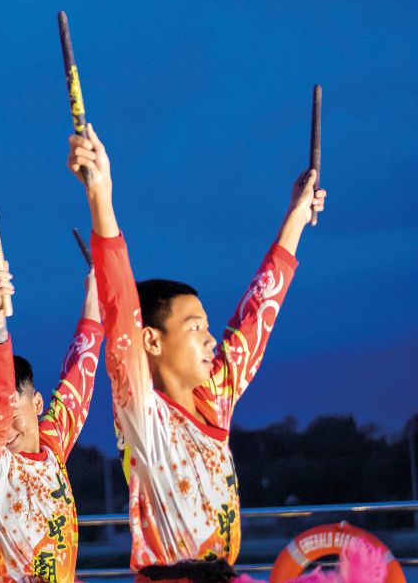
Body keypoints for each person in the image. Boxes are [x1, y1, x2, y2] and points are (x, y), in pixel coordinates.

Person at [67, 123, 326, 581]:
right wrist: (101, 197)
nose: (212, 340)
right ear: (151, 341)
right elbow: (120, 307)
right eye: (196, 328)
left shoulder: (216, 394)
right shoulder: (144, 412)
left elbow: (257, 315)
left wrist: (296, 218)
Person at [0, 257, 103, 582]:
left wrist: (94, 294)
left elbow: (81, 373)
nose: (4, 425)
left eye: (13, 412)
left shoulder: (52, 446)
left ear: (37, 402)